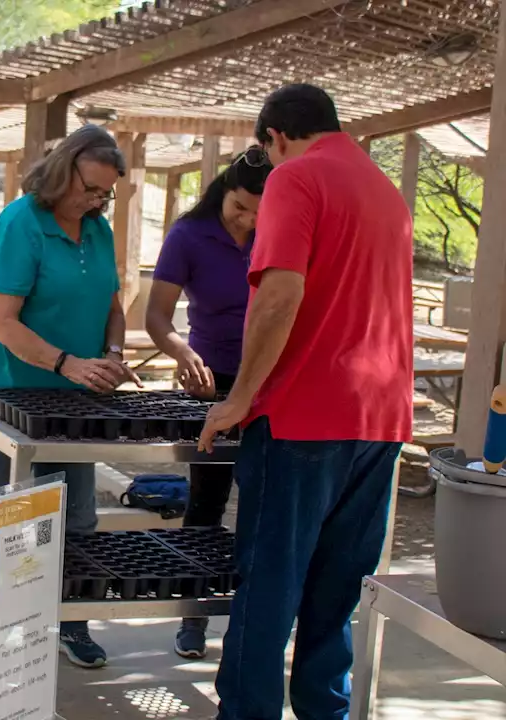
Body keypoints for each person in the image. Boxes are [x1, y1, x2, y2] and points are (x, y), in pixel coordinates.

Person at [198, 84, 413, 718]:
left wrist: (238, 399)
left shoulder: (296, 179)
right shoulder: (386, 192)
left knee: (270, 585)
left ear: (276, 137)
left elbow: (278, 296)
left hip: (302, 420)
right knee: (334, 591)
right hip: (380, 420)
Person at [0, 124, 141, 669]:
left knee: (75, 515)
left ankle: (72, 622)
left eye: (106, 194)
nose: (96, 200)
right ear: (63, 171)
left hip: (73, 394)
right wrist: (67, 362)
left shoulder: (98, 229)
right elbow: (4, 322)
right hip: (6, 388)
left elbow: (112, 303)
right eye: (90, 188)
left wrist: (110, 351)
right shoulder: (22, 223)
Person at [146, 146, 272, 659]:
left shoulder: (278, 233)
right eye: (239, 207)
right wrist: (183, 353)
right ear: (222, 191)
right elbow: (157, 316)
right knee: (207, 501)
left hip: (269, 380)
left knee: (265, 503)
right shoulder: (188, 236)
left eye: (259, 213)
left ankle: (253, 617)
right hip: (210, 380)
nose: (246, 220)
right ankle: (193, 616)